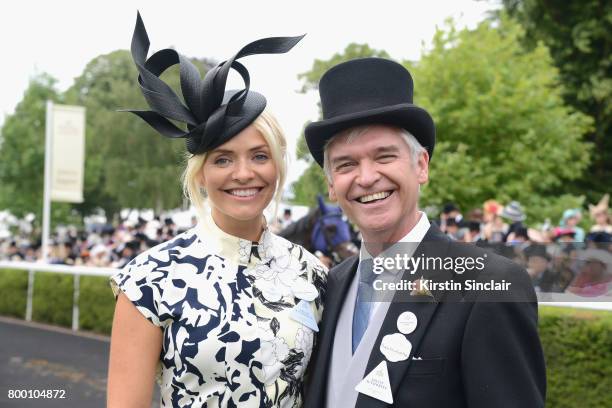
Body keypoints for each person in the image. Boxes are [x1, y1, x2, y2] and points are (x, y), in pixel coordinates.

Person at [107, 13, 327, 408]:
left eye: (259, 156)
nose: (244, 173)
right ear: (202, 175)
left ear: (278, 166)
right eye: (223, 159)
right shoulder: (149, 279)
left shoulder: (312, 274)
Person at [302, 58, 545, 407]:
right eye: (346, 164)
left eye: (384, 156)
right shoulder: (331, 285)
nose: (366, 177)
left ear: (421, 166)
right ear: (331, 185)